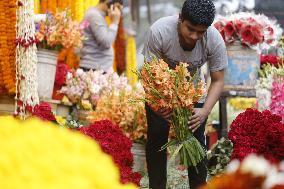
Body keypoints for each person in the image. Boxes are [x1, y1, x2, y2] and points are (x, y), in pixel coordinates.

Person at [142, 0, 228, 189]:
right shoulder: (159, 31)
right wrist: (158, 105)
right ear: (180, 18)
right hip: (160, 94)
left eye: (201, 32)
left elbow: (218, 79)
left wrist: (205, 111)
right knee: (157, 139)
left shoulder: (214, 39)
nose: (195, 36)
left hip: (193, 95)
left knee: (196, 143)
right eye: (190, 29)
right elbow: (147, 74)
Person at [80, 0, 122, 72]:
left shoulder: (96, 14)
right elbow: (106, 42)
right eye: (117, 7)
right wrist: (115, 22)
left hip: (97, 67)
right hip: (94, 69)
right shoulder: (94, 15)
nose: (118, 12)